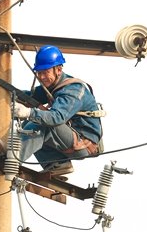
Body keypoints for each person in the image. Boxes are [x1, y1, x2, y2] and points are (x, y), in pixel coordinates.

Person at [10, 45, 103, 176]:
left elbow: (56, 117)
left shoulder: (72, 90)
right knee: (28, 124)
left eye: (45, 72)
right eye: (39, 73)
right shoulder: (53, 86)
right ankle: (58, 164)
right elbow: (29, 97)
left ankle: (12, 160)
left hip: (83, 143)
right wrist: (1, 90)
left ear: (58, 70)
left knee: (39, 123)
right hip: (69, 137)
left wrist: (28, 112)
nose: (41, 77)